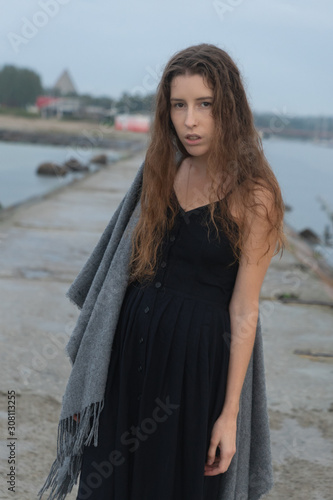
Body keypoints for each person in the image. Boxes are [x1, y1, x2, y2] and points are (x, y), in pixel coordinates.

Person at [39, 43, 285, 500]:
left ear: (228, 107)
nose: (189, 120)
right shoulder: (161, 170)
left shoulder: (256, 197)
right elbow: (121, 272)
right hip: (125, 362)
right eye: (178, 105)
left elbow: (244, 308)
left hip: (193, 376)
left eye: (204, 105)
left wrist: (229, 414)